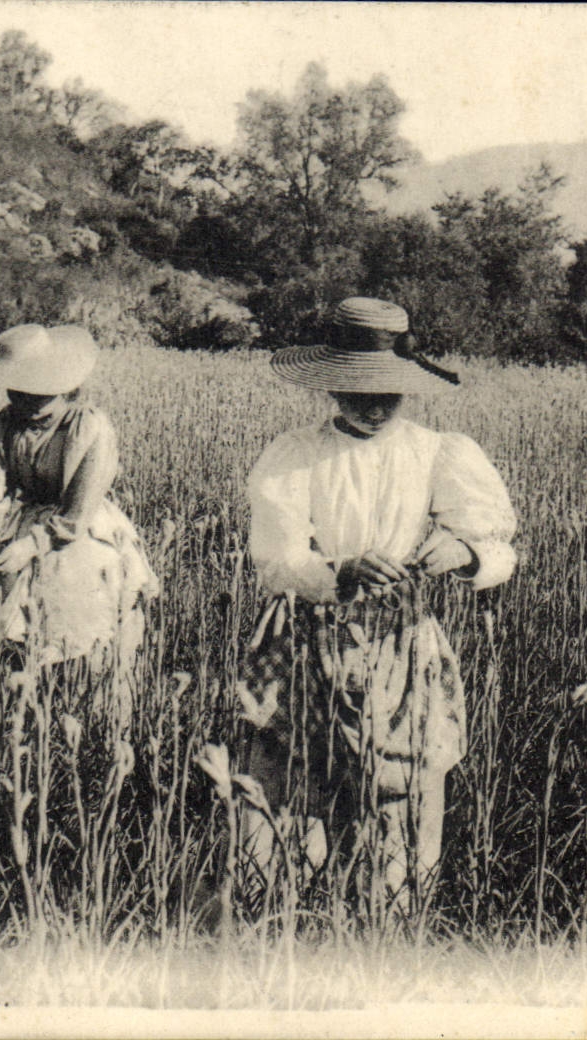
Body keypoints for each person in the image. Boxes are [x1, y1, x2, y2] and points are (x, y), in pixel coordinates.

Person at [241, 297, 517, 920]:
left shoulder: (436, 452)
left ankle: (387, 920)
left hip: (402, 639)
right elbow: (276, 561)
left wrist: (464, 552)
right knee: (293, 783)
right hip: (307, 636)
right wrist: (338, 571)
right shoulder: (296, 453)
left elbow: (499, 545)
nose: (374, 405)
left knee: (402, 787)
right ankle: (285, 919)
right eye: (359, 391)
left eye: (388, 393)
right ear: (331, 385)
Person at [0, 323, 160, 727]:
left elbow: (77, 511)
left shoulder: (89, 427)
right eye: (18, 391)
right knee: (25, 635)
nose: (27, 401)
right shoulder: (4, 424)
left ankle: (96, 726)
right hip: (27, 530)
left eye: (38, 392)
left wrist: (30, 546)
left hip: (80, 536)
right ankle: (37, 725)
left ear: (64, 387)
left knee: (85, 635)